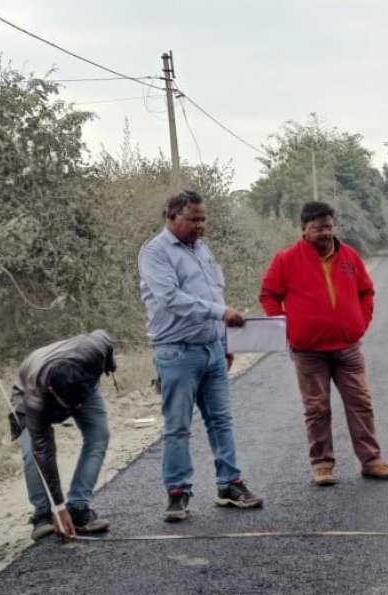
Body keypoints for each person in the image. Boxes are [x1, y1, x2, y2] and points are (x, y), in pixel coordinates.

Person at [138, 189, 263, 522]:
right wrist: (221, 314)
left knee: (221, 421)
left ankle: (230, 485)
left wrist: (225, 343)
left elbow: (213, 293)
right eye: (193, 219)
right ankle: (177, 493)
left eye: (203, 219)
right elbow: (170, 299)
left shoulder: (202, 250)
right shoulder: (155, 253)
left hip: (212, 350)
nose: (200, 225)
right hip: (177, 352)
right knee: (178, 427)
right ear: (171, 216)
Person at [259, 201, 388, 486]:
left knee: (360, 402)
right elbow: (269, 295)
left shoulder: (349, 256)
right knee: (317, 408)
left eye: (328, 226)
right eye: (317, 227)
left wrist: (360, 322)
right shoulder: (286, 259)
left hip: (348, 348)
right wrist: (287, 327)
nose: (324, 232)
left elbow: (366, 291)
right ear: (304, 229)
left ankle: (371, 461)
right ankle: (322, 465)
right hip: (308, 351)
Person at [9, 331, 114, 541]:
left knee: (99, 436)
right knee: (32, 453)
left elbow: (105, 337)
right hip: (30, 385)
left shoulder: (93, 350)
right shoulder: (36, 401)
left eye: (79, 403)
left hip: (81, 382)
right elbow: (43, 452)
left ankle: (78, 507)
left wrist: (110, 364)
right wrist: (58, 505)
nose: (78, 408)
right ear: (54, 394)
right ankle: (43, 513)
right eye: (71, 406)